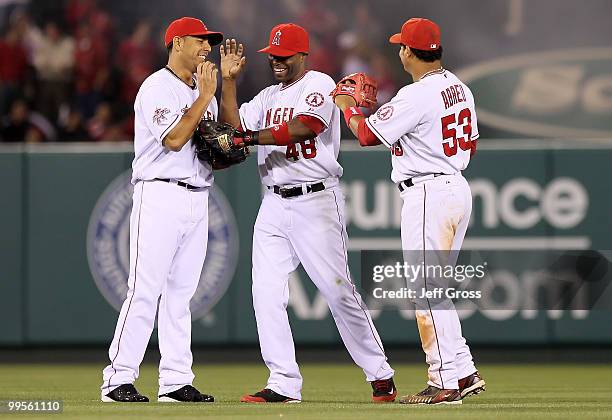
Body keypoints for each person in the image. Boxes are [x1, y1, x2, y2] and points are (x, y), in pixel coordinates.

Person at [219, 23, 396, 404]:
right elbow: (232, 129)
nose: (277, 61)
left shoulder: (318, 83)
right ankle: (283, 382)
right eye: (272, 56)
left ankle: (380, 374)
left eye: (284, 56)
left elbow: (306, 127)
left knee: (338, 292)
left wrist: (249, 139)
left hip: (316, 200)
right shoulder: (266, 96)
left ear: (302, 55)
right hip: (273, 202)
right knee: (265, 293)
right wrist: (229, 83)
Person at [332, 18, 486, 405]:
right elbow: (472, 146)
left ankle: (444, 380)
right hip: (455, 185)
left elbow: (366, 135)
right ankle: (462, 369)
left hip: (429, 192)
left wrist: (349, 107)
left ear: (407, 51)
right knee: (438, 288)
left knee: (426, 290)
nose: (398, 50)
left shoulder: (416, 94)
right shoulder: (459, 87)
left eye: (401, 45)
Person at [100, 16, 223, 403]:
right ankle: (117, 378)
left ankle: (174, 380)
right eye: (200, 40)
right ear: (177, 42)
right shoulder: (157, 86)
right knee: (144, 289)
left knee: (181, 295)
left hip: (198, 194)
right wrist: (204, 97)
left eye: (209, 42)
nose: (207, 47)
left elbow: (210, 149)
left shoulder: (207, 91)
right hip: (160, 194)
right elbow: (172, 139)